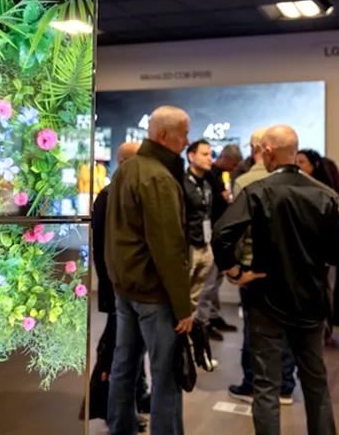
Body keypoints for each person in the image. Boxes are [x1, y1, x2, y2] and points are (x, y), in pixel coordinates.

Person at [212, 125, 339, 435]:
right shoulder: (325, 194)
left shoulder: (258, 191)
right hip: (311, 300)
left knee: (265, 386)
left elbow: (221, 235)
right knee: (315, 382)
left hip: (266, 300)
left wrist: (235, 272)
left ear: (268, 152)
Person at [106, 106, 193, 435]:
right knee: (166, 376)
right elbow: (168, 248)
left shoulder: (127, 170)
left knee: (123, 367)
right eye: (184, 134)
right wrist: (183, 306)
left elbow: (114, 232)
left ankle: (120, 428)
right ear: (164, 135)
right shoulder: (158, 177)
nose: (187, 141)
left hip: (126, 289)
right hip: (153, 294)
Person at [226, 128, 298, 406]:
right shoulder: (304, 184)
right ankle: (285, 385)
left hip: (254, 265)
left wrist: (235, 270)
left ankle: (252, 384)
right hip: (289, 266)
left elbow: (235, 230)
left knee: (255, 329)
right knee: (287, 327)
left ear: (258, 148)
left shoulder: (245, 182)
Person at [88, 142, 149, 429]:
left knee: (130, 349)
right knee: (119, 352)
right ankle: (118, 412)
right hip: (118, 290)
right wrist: (112, 290)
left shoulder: (122, 193)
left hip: (124, 289)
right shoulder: (109, 196)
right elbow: (104, 250)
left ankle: (136, 399)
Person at [296, 149, 339, 343]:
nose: (297, 166)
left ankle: (323, 329)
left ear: (314, 166)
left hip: (320, 253)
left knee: (324, 289)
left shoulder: (325, 194)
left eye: (301, 162)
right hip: (305, 252)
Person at [201, 143, 244, 336]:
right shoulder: (209, 176)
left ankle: (212, 316)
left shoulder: (220, 177)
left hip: (218, 234)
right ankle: (204, 321)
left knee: (215, 280)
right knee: (209, 282)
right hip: (210, 234)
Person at [183, 139, 218, 370]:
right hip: (189, 248)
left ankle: (195, 350)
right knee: (183, 302)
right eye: (205, 154)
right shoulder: (182, 183)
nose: (209, 158)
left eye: (210, 154)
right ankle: (183, 350)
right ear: (191, 156)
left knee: (195, 300)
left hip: (205, 246)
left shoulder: (207, 183)